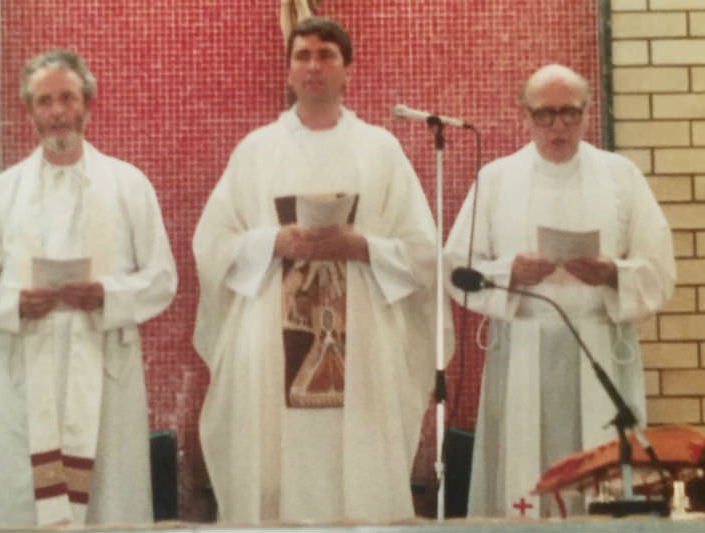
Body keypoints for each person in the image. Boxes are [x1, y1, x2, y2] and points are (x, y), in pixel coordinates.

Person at [193, 16, 450, 523]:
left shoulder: (381, 149)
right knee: (274, 464)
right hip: (271, 337)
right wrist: (274, 241)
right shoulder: (256, 150)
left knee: (359, 469)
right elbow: (211, 244)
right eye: (303, 56)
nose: (314, 66)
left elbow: (423, 250)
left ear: (347, 71)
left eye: (326, 56)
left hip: (365, 342)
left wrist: (362, 247)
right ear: (289, 70)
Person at [0, 50, 177, 528]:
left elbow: (162, 278)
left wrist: (107, 296)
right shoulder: (0, 195)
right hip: (29, 372)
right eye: (44, 101)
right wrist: (13, 303)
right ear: (29, 111)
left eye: (66, 98)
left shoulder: (129, 186)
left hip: (103, 366)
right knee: (25, 504)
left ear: (87, 104)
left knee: (107, 501)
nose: (56, 111)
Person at [444, 64, 675, 518]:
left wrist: (613, 272)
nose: (557, 127)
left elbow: (660, 269)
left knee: (601, 478)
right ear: (524, 116)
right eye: (544, 115)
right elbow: (456, 269)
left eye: (569, 113)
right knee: (525, 477)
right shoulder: (496, 179)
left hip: (600, 350)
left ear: (587, 112)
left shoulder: (620, 176)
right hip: (523, 352)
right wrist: (510, 272)